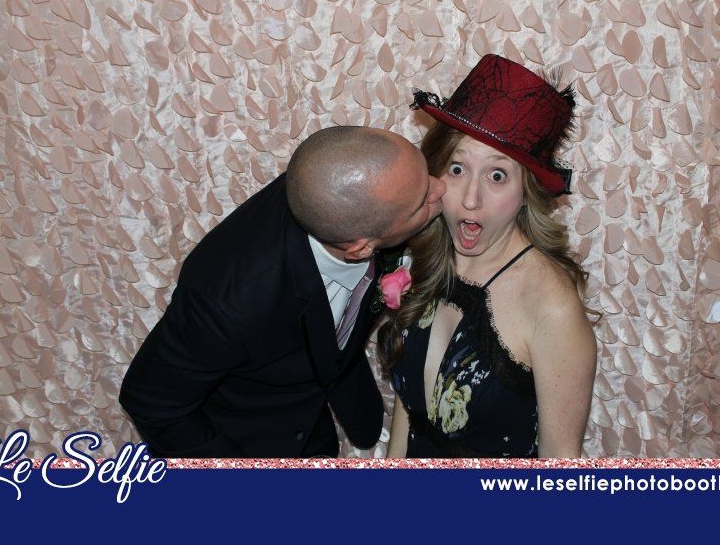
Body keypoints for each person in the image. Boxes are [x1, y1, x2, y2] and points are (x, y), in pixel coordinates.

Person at [118, 126, 447, 458]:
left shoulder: (341, 190)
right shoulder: (228, 301)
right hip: (254, 436)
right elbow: (150, 400)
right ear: (361, 249)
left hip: (316, 390)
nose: (441, 188)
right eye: (422, 202)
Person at [379, 54, 598, 458]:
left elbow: (560, 463)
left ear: (525, 194)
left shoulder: (552, 307)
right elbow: (407, 416)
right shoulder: (428, 255)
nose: (471, 199)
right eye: (458, 169)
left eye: (497, 175)